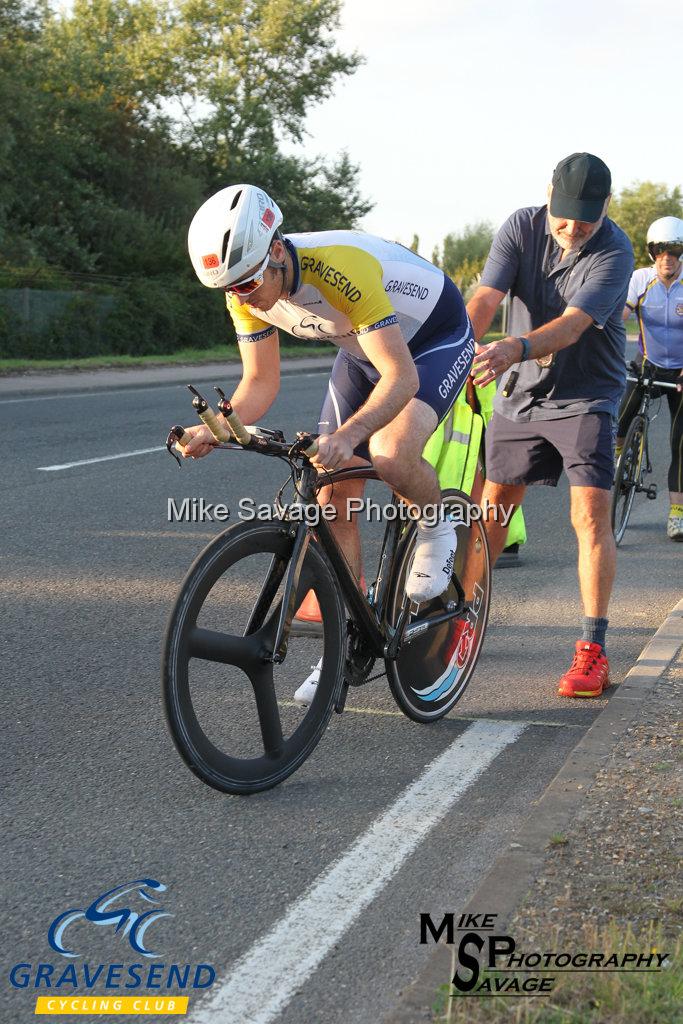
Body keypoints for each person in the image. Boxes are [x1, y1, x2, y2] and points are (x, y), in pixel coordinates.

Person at [183, 184, 475, 702]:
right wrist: (216, 430)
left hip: (432, 341)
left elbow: (402, 378)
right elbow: (260, 384)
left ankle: (438, 525)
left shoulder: (339, 267)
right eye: (228, 289)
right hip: (364, 351)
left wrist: (350, 434)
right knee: (330, 492)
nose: (240, 298)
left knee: (388, 454)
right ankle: (347, 640)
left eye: (247, 284)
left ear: (276, 250)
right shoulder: (247, 286)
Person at [466, 153, 634, 698]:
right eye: (563, 216)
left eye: (584, 217)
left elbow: (572, 325)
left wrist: (513, 346)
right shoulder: (521, 225)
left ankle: (592, 650)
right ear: (548, 197)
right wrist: (458, 344)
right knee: (494, 505)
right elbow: (487, 298)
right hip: (519, 396)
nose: (572, 227)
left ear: (605, 206)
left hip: (587, 395)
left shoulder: (615, 250)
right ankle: (465, 620)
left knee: (588, 515)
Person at [617, 216, 683, 540]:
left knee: (680, 441)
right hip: (648, 365)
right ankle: (619, 460)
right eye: (660, 250)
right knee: (620, 417)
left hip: (682, 372)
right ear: (652, 252)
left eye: (674, 250)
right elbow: (620, 317)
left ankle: (677, 514)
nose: (667, 257)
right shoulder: (640, 280)